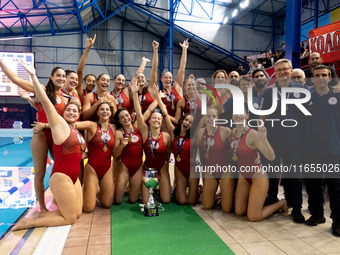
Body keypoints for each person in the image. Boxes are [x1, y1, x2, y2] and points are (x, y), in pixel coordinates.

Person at [13, 60, 85, 230]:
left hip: (71, 173)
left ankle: (51, 207)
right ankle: (30, 221)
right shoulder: (59, 123)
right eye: (69, 110)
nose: (72, 112)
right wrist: (32, 75)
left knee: (78, 213)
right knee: (70, 218)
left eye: (75, 111)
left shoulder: (75, 129)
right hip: (59, 170)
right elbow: (45, 103)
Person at [0, 59, 69, 214]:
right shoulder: (42, 89)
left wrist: (31, 101)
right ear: (51, 77)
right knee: (39, 173)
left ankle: (58, 199)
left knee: (59, 169)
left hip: (56, 136)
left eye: (63, 76)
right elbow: (15, 80)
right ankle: (43, 207)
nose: (62, 78)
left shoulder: (64, 96)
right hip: (41, 136)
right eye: (58, 75)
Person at [261, 59, 305, 223]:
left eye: (285, 69)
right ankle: (273, 201)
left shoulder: (301, 90)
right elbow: (263, 116)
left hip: (294, 141)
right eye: (279, 70)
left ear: (291, 70)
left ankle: (296, 208)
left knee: (293, 175)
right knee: (271, 173)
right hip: (273, 140)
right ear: (275, 73)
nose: (282, 72)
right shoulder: (269, 92)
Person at [302, 65, 340, 236]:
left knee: (335, 187)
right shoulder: (306, 98)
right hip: (311, 149)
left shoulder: (338, 96)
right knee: (314, 185)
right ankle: (317, 215)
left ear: (330, 77)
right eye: (317, 75)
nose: (320, 77)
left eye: (324, 74)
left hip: (334, 149)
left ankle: (338, 221)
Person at [231, 113, 288, 221]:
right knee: (239, 211)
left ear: (247, 115)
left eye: (241, 113)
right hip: (243, 176)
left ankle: (280, 203)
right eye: (235, 113)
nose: (238, 115)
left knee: (253, 217)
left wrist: (263, 139)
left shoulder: (253, 134)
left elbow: (271, 157)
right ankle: (256, 203)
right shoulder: (233, 132)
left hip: (258, 176)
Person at [154, 85, 198, 205]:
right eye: (186, 120)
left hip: (193, 169)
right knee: (182, 201)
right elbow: (165, 114)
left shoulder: (194, 137)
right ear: (182, 120)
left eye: (191, 122)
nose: (188, 123)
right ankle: (181, 188)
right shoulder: (174, 134)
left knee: (192, 201)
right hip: (180, 169)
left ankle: (198, 189)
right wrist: (158, 96)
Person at [131, 79, 172, 204]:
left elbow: (168, 153)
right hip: (149, 169)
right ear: (149, 120)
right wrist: (134, 93)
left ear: (162, 121)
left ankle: (161, 186)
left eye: (159, 119)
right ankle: (149, 188)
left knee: (166, 200)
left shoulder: (166, 136)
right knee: (146, 201)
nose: (156, 121)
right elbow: (139, 112)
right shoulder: (145, 133)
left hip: (162, 168)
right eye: (154, 119)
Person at [76, 102, 115, 212]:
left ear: (111, 112)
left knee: (107, 204)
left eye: (107, 109)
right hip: (92, 168)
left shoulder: (114, 128)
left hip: (107, 168)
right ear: (97, 112)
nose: (105, 111)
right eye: (102, 109)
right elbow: (71, 124)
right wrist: (45, 125)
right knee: (88, 209)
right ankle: (91, 188)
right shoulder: (91, 125)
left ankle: (96, 190)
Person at [194, 107, 233, 212]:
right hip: (210, 170)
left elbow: (235, 148)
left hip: (225, 170)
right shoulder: (200, 132)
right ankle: (218, 197)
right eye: (208, 116)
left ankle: (226, 195)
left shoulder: (226, 131)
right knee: (206, 205)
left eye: (214, 116)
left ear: (217, 118)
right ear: (204, 117)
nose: (211, 119)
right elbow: (194, 149)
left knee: (226, 209)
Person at [113, 106, 144, 204]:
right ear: (119, 121)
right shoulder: (118, 133)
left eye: (127, 115)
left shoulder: (138, 127)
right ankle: (123, 189)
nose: (125, 118)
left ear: (130, 116)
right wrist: (122, 145)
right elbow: (115, 155)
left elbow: (144, 112)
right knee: (118, 200)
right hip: (124, 167)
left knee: (133, 200)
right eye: (122, 117)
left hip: (138, 167)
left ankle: (129, 189)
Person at [160, 39, 189, 122]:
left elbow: (182, 68)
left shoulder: (177, 87)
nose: (168, 79)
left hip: (182, 123)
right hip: (168, 123)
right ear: (162, 79)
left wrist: (184, 49)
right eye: (166, 77)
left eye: (170, 78)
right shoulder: (160, 93)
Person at [76, 35, 97, 103]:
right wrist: (87, 49)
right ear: (84, 82)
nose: (91, 83)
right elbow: (80, 70)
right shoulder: (80, 92)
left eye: (93, 81)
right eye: (89, 81)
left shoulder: (96, 96)